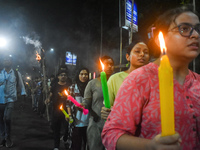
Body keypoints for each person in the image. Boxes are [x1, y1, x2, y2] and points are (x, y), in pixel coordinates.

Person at [102, 5, 200, 150]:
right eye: (184, 29)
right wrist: (151, 146)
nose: (196, 35)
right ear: (162, 37)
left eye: (198, 29)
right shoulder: (139, 79)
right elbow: (111, 134)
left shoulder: (197, 81)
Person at [101, 37, 150, 120]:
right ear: (128, 57)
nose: (142, 54)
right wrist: (106, 111)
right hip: (123, 126)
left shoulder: (153, 79)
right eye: (137, 51)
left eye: (146, 52)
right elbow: (108, 106)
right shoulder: (115, 79)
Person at [82, 56, 114, 150]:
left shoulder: (115, 81)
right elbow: (87, 102)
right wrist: (83, 106)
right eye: (106, 64)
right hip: (96, 124)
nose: (109, 66)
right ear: (101, 67)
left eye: (111, 64)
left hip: (113, 123)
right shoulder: (92, 84)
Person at [0, 55, 26, 148]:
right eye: (4, 59)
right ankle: (2, 138)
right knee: (1, 120)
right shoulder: (0, 72)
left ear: (11, 62)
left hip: (10, 99)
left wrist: (23, 97)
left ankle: (8, 137)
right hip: (0, 99)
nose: (6, 61)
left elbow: (21, 85)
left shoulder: (16, 73)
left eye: (8, 60)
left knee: (7, 118)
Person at [46, 70, 72, 150]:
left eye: (64, 75)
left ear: (66, 77)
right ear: (58, 77)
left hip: (66, 110)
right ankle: (56, 146)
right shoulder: (54, 86)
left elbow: (71, 96)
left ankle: (65, 139)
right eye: (61, 75)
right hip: (56, 110)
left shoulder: (69, 86)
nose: (63, 76)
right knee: (56, 129)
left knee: (67, 128)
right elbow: (51, 94)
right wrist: (48, 99)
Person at [68, 67, 90, 150]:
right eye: (81, 74)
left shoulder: (90, 86)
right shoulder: (73, 87)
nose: (84, 76)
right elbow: (68, 104)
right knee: (76, 144)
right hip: (76, 121)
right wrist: (70, 114)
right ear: (78, 75)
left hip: (89, 121)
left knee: (87, 144)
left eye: (86, 74)